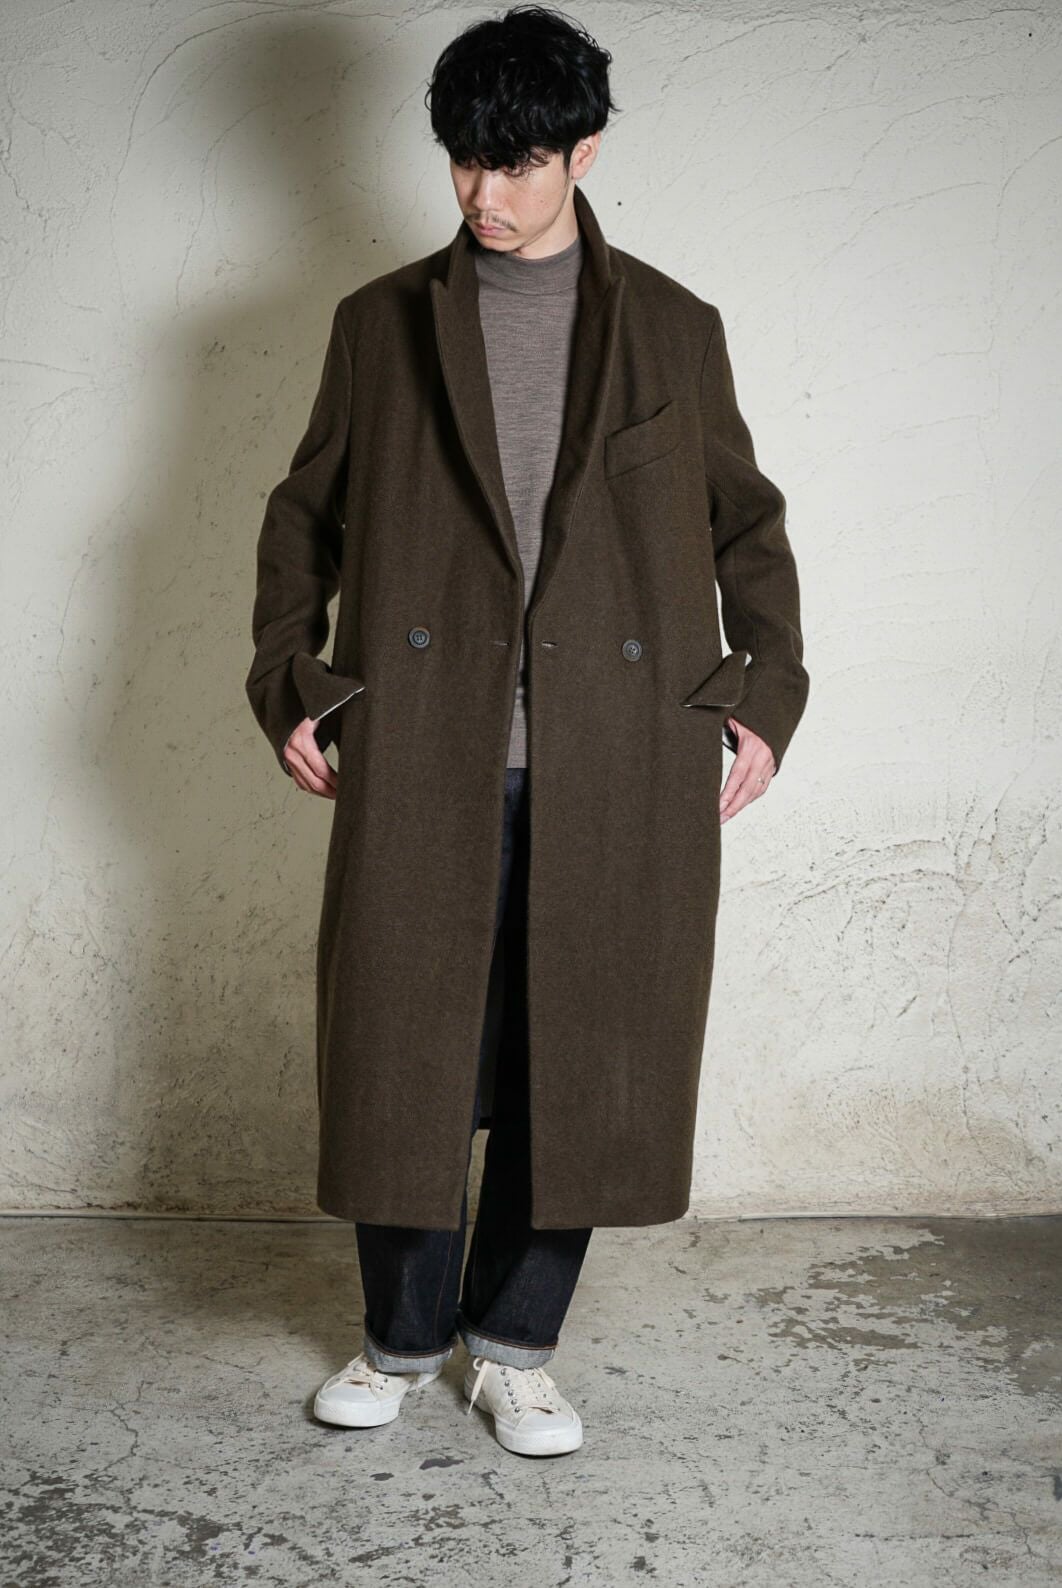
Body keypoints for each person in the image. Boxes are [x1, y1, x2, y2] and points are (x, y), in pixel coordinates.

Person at [245, 5, 808, 1459]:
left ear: (583, 152)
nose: (486, 193)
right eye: (465, 161)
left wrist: (763, 700)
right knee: (406, 1053)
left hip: (617, 757)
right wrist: (294, 684)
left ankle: (515, 1347)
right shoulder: (379, 324)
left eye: (519, 163)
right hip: (424, 748)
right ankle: (398, 1339)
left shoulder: (675, 327)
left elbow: (747, 528)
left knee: (585, 1059)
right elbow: (301, 520)